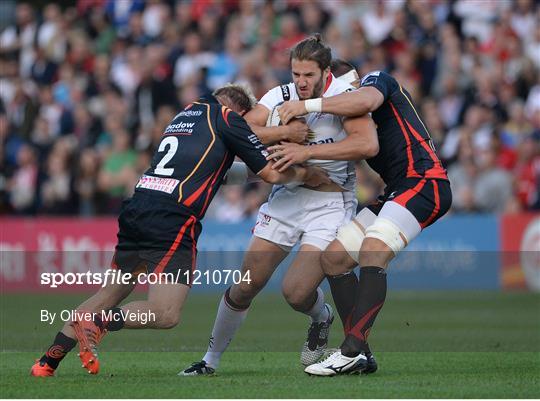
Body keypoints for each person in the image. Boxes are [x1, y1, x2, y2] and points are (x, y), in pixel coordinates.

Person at [30, 84, 330, 377]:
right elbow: (269, 172)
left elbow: (224, 172)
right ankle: (98, 322)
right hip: (172, 217)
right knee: (166, 313)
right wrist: (306, 170)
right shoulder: (226, 118)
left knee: (111, 291)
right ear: (239, 111)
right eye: (248, 119)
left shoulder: (186, 114)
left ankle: (48, 361)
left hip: (138, 206)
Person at [182, 36, 379, 376]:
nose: (300, 83)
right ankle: (209, 361)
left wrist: (307, 151)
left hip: (330, 202)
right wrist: (283, 132)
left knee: (295, 291)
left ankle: (321, 316)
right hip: (287, 197)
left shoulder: (344, 100)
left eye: (308, 75)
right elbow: (242, 128)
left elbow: (366, 144)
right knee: (245, 285)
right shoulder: (281, 96)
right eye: (295, 74)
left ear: (324, 72)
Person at [273, 70, 452, 375]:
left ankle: (350, 350)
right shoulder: (352, 126)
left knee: (373, 251)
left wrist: (309, 105)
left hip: (424, 182)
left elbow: (365, 98)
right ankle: (361, 354)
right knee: (334, 259)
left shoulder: (375, 80)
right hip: (397, 190)